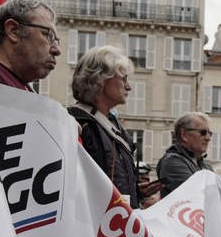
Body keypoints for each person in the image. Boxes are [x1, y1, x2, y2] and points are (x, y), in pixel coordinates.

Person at [69, 45, 161, 209]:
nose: (129, 86)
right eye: (124, 78)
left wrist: (136, 192)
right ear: (100, 78)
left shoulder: (113, 126)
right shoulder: (76, 123)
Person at [0, 0, 60, 91]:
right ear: (14, 31)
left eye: (56, 40)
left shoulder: (23, 90)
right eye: (48, 35)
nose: (57, 50)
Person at [157, 113, 214, 198]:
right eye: (203, 132)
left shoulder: (206, 166)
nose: (208, 138)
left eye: (210, 133)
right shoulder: (172, 162)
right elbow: (197, 194)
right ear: (184, 135)